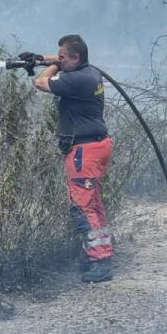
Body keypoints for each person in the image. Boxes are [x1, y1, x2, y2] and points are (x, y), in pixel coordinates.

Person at [24, 34, 114, 283]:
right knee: (93, 205)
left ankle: (101, 261)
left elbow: (41, 83)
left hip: (84, 152)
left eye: (62, 57)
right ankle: (101, 253)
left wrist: (49, 66)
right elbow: (63, 61)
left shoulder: (78, 80)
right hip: (96, 146)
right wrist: (41, 58)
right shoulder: (89, 71)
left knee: (82, 207)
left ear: (75, 58)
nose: (59, 60)